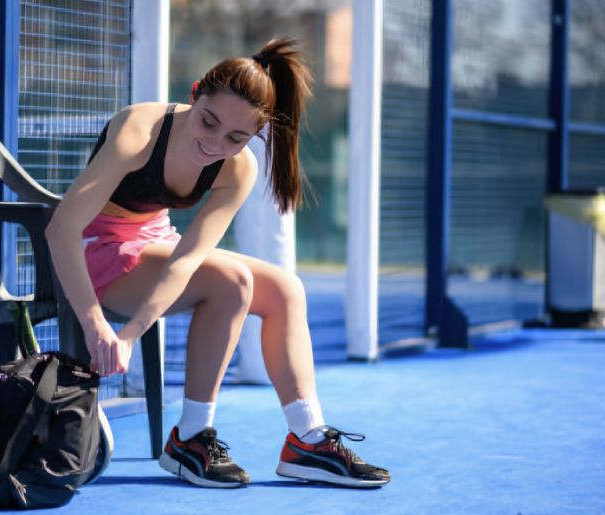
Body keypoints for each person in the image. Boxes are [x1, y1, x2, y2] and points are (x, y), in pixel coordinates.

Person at [45, 38, 390, 489]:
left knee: (286, 289)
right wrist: (98, 327)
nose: (214, 143)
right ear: (194, 93)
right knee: (231, 282)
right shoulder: (139, 129)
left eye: (235, 137)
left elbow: (186, 258)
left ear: (256, 136)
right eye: (209, 122)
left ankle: (307, 439)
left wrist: (130, 335)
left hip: (153, 242)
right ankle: (190, 438)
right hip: (95, 248)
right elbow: (62, 228)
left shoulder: (237, 169)